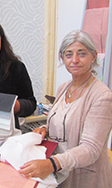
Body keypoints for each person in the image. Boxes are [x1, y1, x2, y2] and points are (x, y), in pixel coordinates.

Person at [19, 30, 112, 188]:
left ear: (93, 56)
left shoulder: (102, 96)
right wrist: (45, 129)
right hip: (60, 172)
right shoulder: (64, 88)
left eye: (81, 54)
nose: (74, 60)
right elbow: (64, 120)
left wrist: (52, 164)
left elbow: (91, 149)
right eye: (69, 55)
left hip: (85, 177)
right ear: (62, 58)